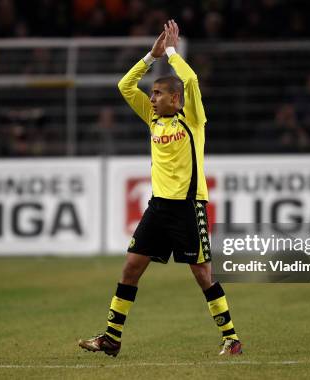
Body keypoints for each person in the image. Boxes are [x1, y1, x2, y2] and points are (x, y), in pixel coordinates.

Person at [78, 20, 242, 357]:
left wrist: (171, 51)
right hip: (158, 208)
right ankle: (111, 337)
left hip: (188, 206)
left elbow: (192, 79)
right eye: (151, 93)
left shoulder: (193, 119)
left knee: (202, 273)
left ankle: (231, 337)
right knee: (131, 267)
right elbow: (125, 86)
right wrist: (150, 57)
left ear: (175, 98)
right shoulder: (154, 119)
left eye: (157, 93)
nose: (151, 98)